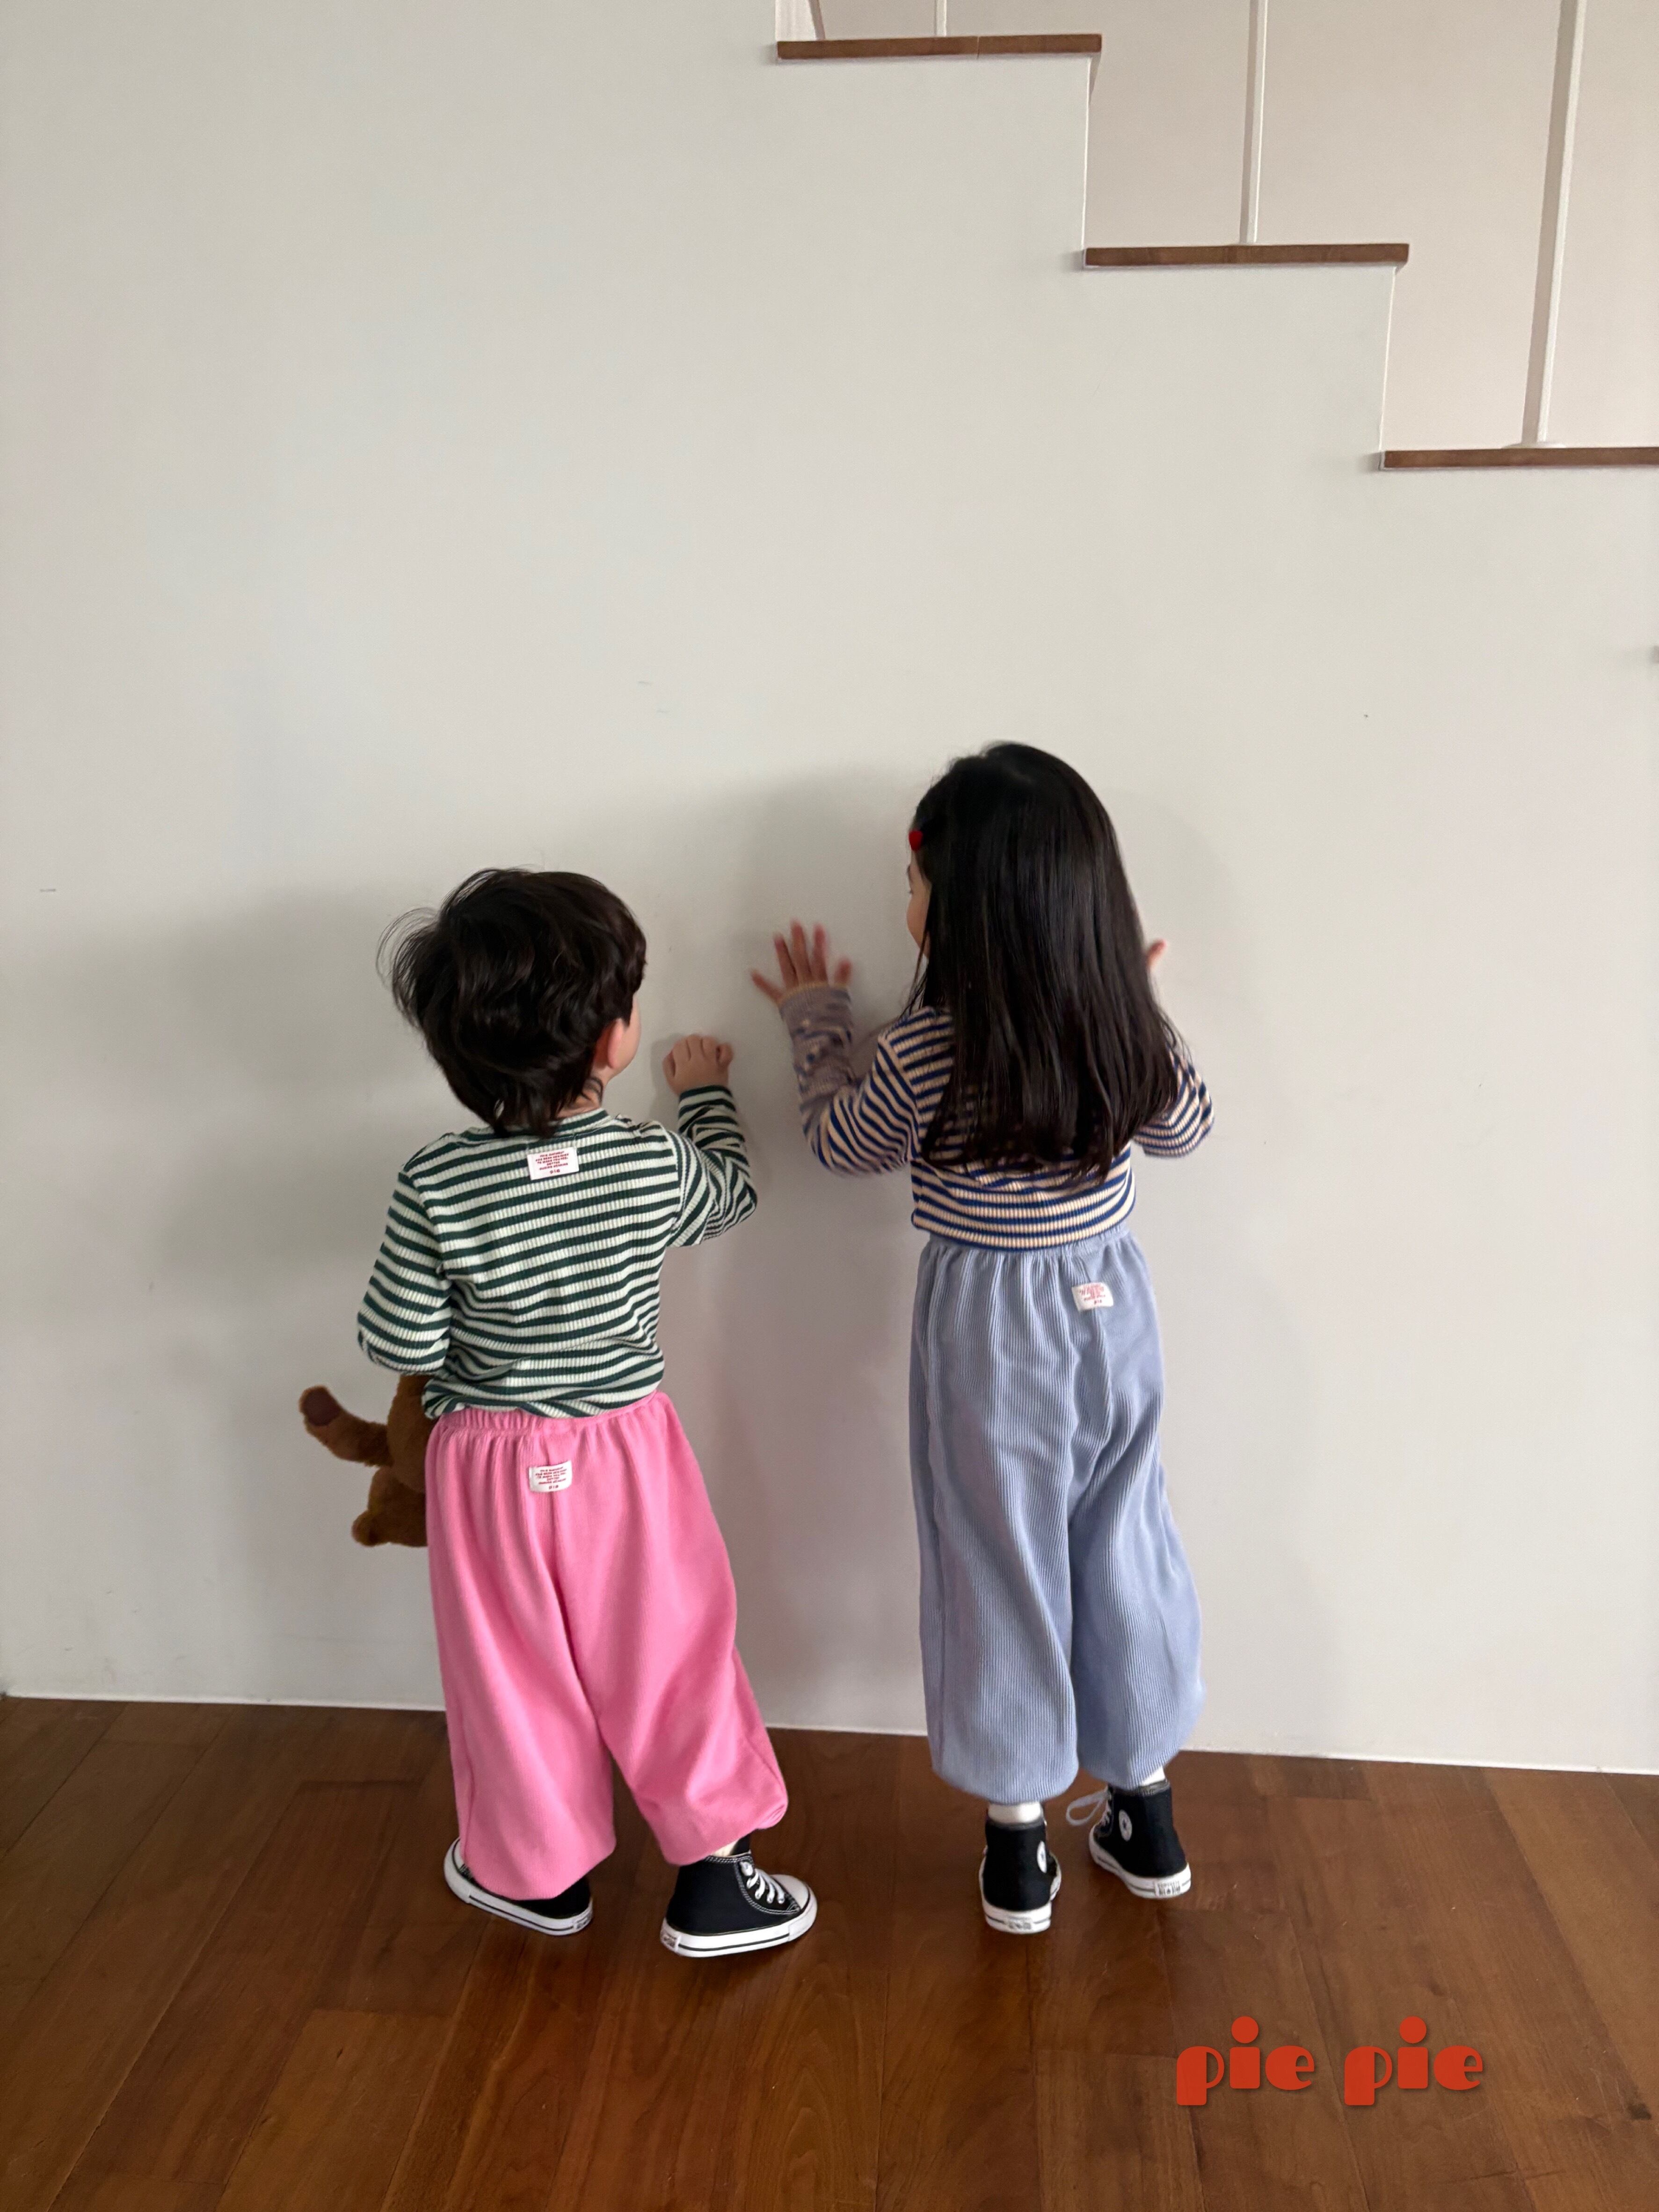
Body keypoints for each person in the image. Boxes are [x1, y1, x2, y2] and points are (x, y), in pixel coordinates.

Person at [755, 745, 1212, 1935]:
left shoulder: (930, 1043)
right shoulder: (1118, 1023)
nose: (903, 898)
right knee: (1124, 1540)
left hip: (992, 1324)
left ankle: (1020, 1844)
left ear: (967, 907)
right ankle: (1147, 1808)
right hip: (1114, 1310)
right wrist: (1142, 1006)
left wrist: (816, 1025)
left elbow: (844, 1144)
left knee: (996, 1555)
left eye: (915, 879)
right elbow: (1187, 1129)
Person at [359, 867, 814, 1958]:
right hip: (624, 1453)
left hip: (486, 1467)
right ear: (615, 1039)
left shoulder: (434, 1183)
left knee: (510, 1673)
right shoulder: (650, 1162)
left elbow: (401, 1343)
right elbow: (733, 1192)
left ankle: (539, 1878)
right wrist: (703, 1094)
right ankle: (714, 1877)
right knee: (673, 1651)